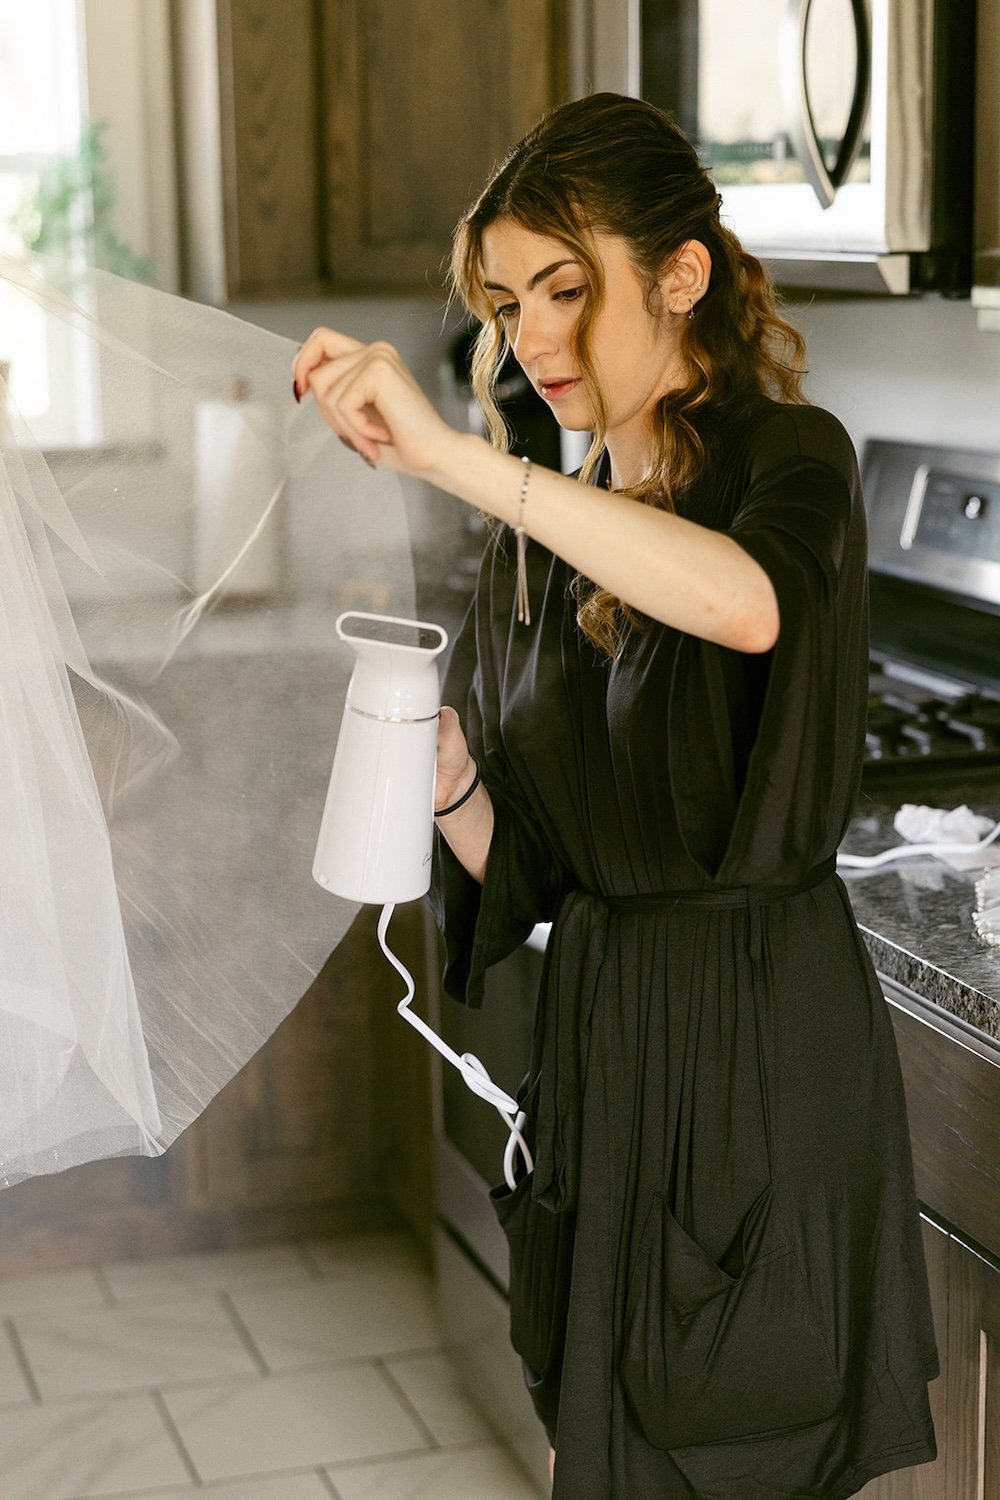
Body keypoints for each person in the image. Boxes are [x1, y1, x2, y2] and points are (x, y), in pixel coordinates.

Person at [292, 92, 939, 1500]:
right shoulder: (543, 541)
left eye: (566, 290)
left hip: (755, 1051)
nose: (527, 336)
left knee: (734, 1441)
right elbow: (527, 868)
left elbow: (742, 607)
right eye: (510, 301)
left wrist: (459, 462)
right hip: (604, 1054)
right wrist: (456, 783)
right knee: (601, 1454)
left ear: (682, 277)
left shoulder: (795, 463)